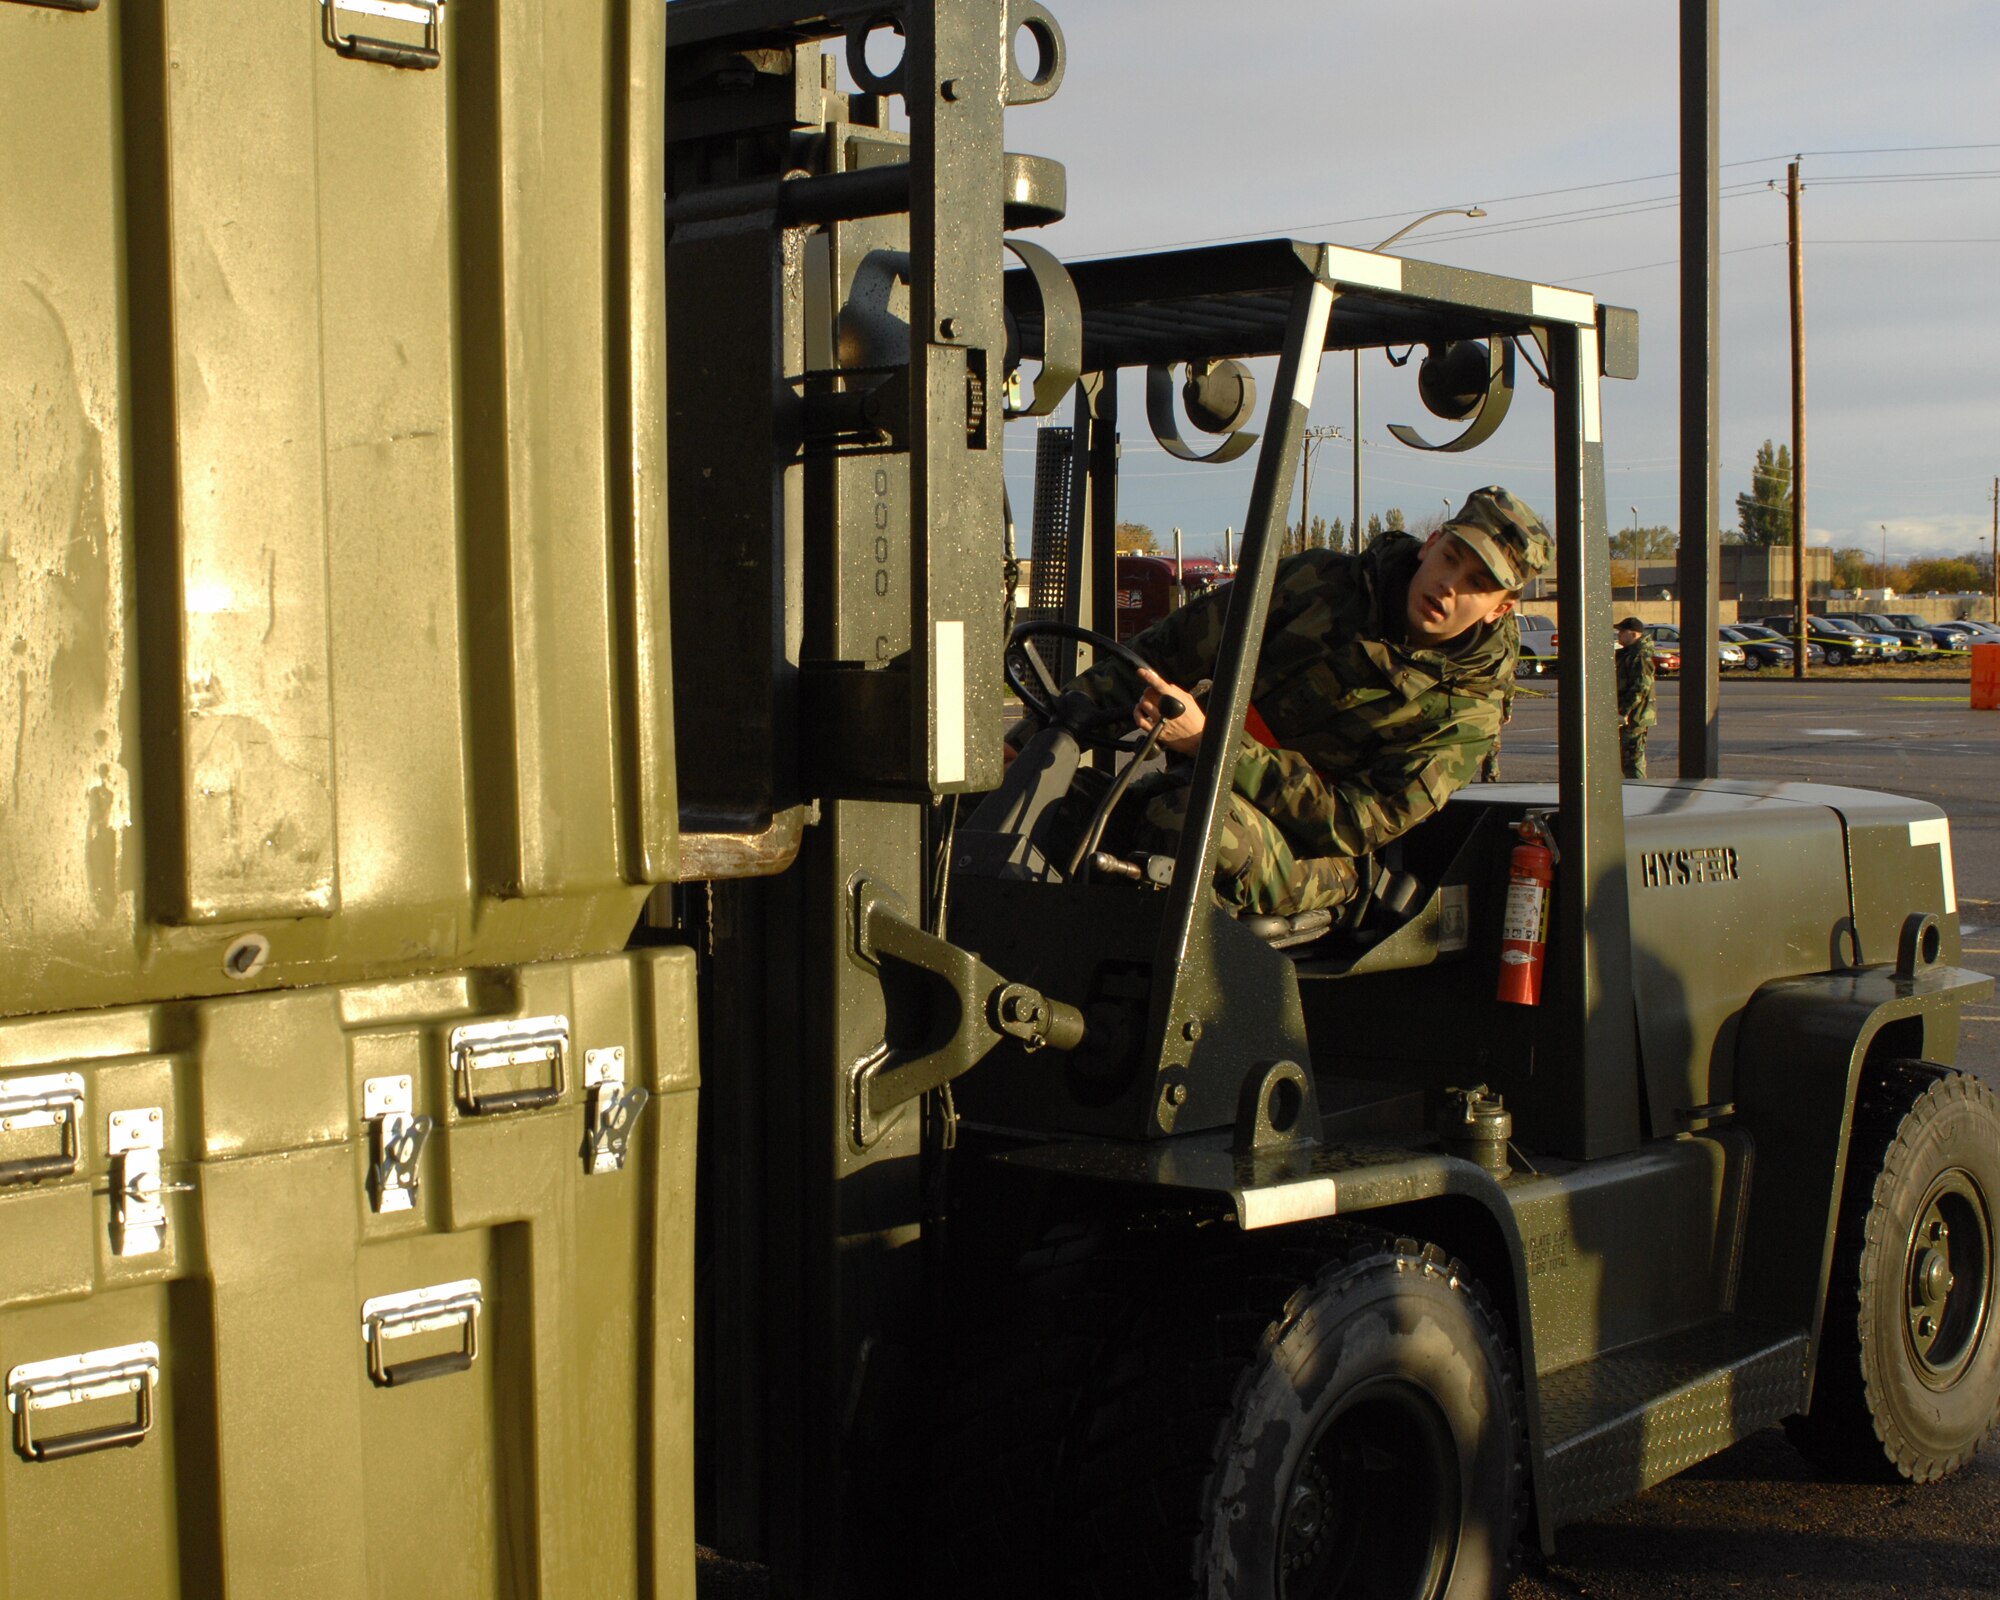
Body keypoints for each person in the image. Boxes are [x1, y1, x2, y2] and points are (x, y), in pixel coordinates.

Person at [1054, 486, 1552, 918]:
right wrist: (1039, 742)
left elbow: (1353, 824)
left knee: (1192, 825)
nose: (1450, 585)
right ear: (1432, 544)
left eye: (1478, 585)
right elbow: (1168, 649)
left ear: (1501, 609)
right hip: (1203, 789)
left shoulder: (1466, 712)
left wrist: (1215, 746)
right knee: (1028, 799)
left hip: (1317, 855)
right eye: (1451, 559)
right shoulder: (1319, 583)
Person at [1614, 616, 1655, 778]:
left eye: (1622, 632)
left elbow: (1640, 687)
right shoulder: (1628, 655)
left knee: (1633, 760)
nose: (1619, 635)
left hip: (1634, 717)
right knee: (1626, 760)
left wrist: (1624, 712)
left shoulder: (1640, 656)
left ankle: (1639, 793)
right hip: (1629, 715)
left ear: (1634, 634)